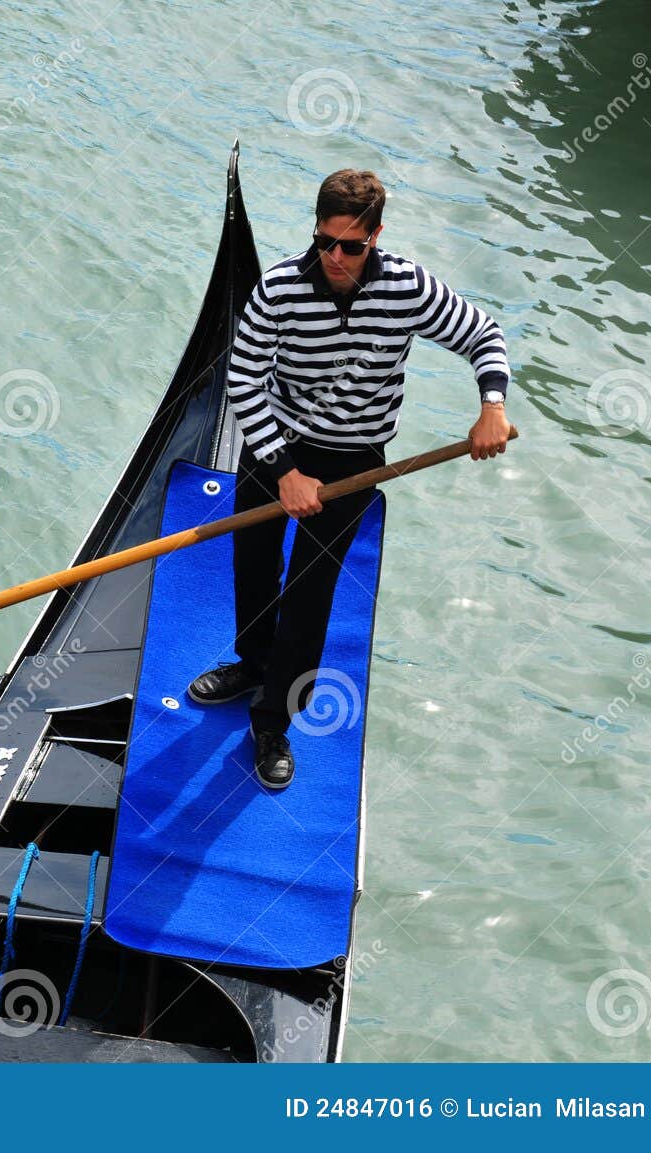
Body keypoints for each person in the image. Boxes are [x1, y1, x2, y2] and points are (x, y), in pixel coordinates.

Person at [188, 168, 513, 790]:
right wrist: (283, 470)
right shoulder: (279, 288)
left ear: (377, 236)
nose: (335, 258)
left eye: (352, 246)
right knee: (253, 562)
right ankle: (253, 662)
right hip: (273, 443)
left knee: (312, 590)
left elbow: (482, 334)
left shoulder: (408, 288)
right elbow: (242, 379)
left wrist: (492, 406)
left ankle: (274, 720)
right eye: (325, 242)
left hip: (353, 456)